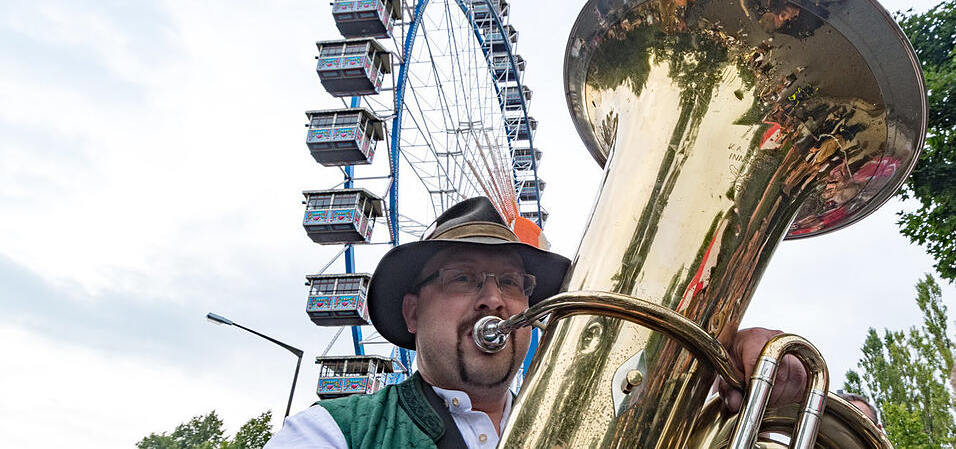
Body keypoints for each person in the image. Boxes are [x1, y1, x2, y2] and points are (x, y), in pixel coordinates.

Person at [266, 197, 807, 448]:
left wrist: (744, 393)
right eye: (463, 279)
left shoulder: (601, 427)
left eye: (513, 284)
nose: (495, 300)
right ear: (412, 311)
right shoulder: (332, 433)